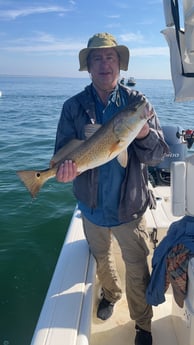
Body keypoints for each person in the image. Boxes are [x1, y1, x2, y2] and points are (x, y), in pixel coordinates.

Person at [54, 32, 169, 345]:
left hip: (130, 206)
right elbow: (63, 151)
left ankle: (142, 325)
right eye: (97, 58)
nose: (104, 64)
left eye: (110, 57)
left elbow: (158, 154)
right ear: (88, 66)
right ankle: (110, 294)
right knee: (102, 258)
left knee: (138, 267)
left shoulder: (139, 103)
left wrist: (143, 131)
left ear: (120, 64)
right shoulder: (73, 106)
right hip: (90, 207)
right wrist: (62, 172)